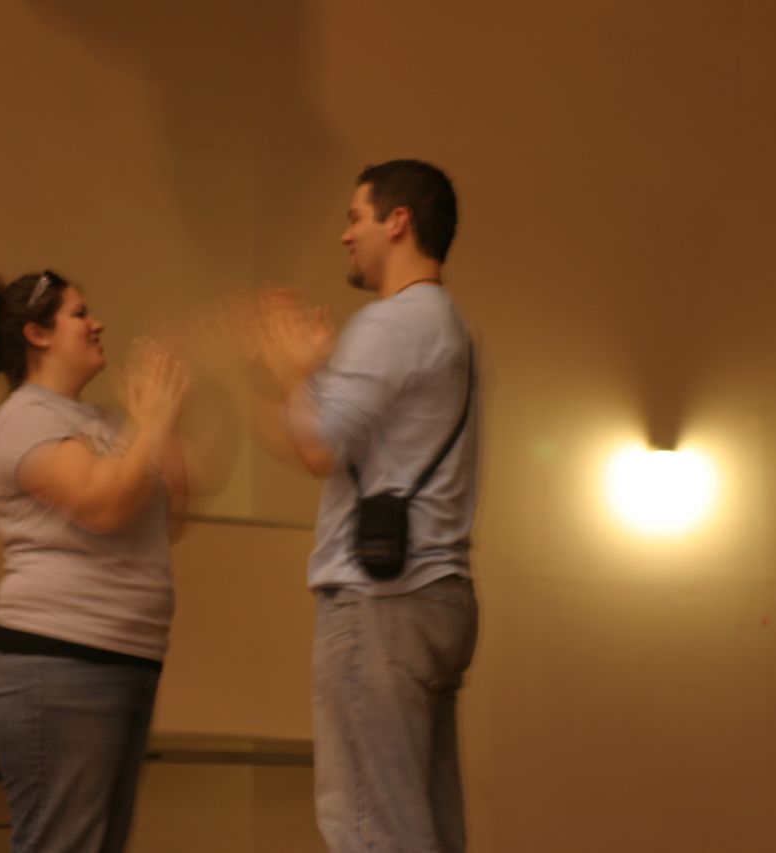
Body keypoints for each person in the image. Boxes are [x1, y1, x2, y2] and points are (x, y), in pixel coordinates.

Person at [250, 160, 480, 852]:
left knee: (369, 827)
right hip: (439, 594)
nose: (345, 235)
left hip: (379, 600)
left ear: (398, 221)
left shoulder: (392, 323)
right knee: (425, 827)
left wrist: (291, 369)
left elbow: (317, 445)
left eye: (355, 216)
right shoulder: (451, 327)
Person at [0, 269, 190, 853]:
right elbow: (103, 506)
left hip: (125, 658)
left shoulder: (105, 423)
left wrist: (164, 414)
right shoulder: (25, 419)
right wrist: (150, 423)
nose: (98, 323)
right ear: (37, 333)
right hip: (55, 662)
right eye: (80, 313)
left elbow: (172, 510)